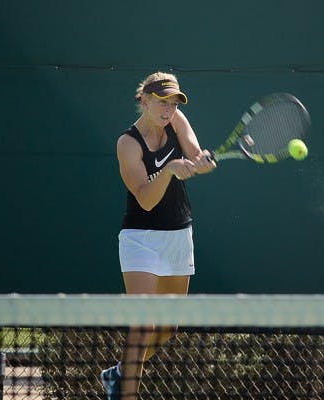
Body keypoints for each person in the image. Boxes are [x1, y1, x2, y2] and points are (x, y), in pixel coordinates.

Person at [100, 71, 216, 400]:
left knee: (167, 329)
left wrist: (202, 162)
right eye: (162, 101)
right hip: (140, 238)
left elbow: (194, 154)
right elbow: (146, 199)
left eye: (173, 102)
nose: (168, 109)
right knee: (143, 327)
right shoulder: (127, 143)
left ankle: (119, 374)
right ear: (145, 101)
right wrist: (168, 170)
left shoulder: (177, 120)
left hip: (178, 235)